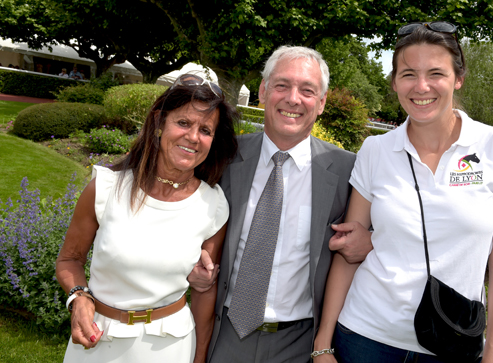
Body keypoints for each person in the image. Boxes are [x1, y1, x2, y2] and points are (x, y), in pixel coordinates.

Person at [313, 22, 493, 363]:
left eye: (436, 73)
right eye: (408, 74)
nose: (421, 86)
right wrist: (323, 343)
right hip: (364, 338)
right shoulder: (376, 150)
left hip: (452, 344)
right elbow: (348, 250)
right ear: (395, 82)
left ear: (458, 78)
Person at [189, 46, 359, 363]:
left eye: (307, 91)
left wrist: (371, 238)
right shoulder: (224, 155)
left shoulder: (347, 171)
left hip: (300, 343)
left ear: (321, 103)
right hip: (225, 334)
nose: (293, 99)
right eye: (281, 85)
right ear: (263, 91)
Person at [55, 73, 238, 363]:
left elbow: (205, 289)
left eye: (206, 130)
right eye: (183, 122)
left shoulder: (213, 206)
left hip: (171, 348)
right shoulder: (105, 188)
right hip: (96, 342)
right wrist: (78, 297)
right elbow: (69, 259)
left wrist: (200, 356)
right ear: (158, 123)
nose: (193, 137)